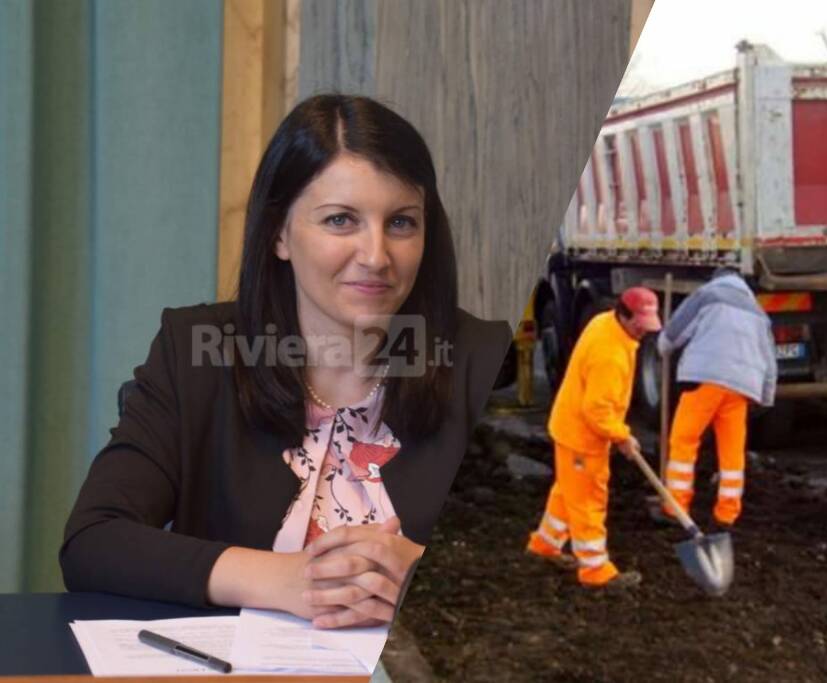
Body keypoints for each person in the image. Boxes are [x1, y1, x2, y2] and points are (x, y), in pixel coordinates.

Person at [60, 94, 511, 630]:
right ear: (279, 234)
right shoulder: (197, 350)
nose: (376, 256)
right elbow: (94, 540)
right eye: (341, 220)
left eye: (401, 223)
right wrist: (288, 581)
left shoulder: (483, 361)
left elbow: (538, 572)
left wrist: (420, 574)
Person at [525, 287, 662, 588]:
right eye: (639, 324)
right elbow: (597, 410)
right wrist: (621, 435)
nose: (644, 331)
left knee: (568, 491)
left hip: (571, 428)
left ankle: (544, 544)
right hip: (581, 437)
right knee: (588, 500)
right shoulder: (610, 355)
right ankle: (595, 569)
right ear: (623, 315)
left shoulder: (605, 323)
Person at [656, 266, 776, 529]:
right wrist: (766, 396)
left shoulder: (707, 295)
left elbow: (675, 332)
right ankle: (726, 515)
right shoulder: (756, 311)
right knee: (732, 451)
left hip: (705, 378)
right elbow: (769, 358)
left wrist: (663, 346)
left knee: (684, 440)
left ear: (716, 278)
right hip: (741, 387)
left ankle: (675, 508)